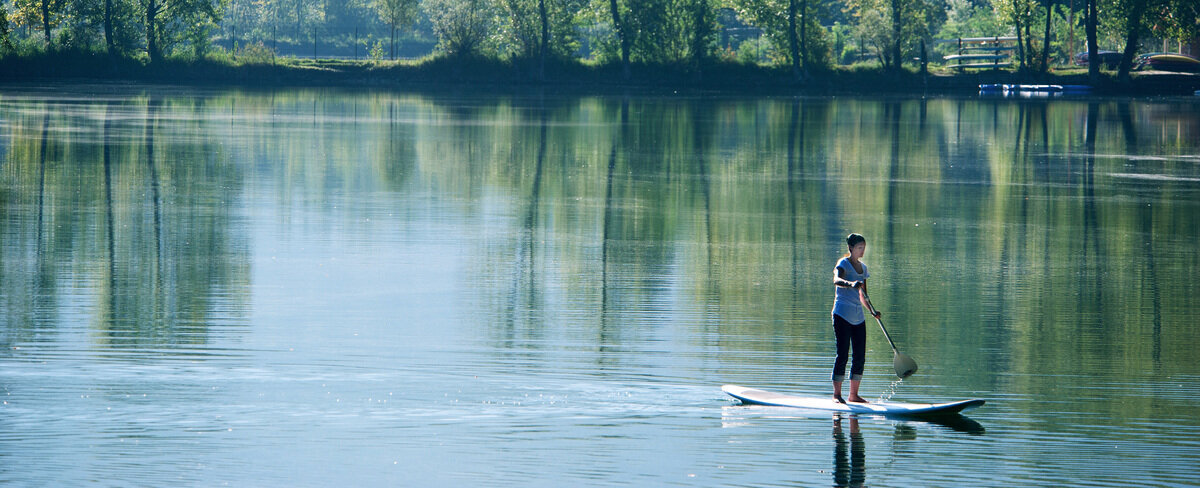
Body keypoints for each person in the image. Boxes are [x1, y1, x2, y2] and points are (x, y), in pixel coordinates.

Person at [831, 233, 880, 404]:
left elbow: (864, 296)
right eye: (859, 247)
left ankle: (853, 395)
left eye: (863, 247)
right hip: (842, 314)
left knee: (859, 356)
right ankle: (837, 395)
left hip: (858, 317)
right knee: (842, 354)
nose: (862, 250)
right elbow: (836, 280)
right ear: (851, 248)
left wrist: (872, 311)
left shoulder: (863, 269)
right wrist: (850, 284)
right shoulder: (843, 264)